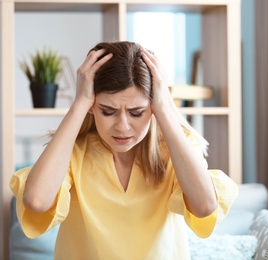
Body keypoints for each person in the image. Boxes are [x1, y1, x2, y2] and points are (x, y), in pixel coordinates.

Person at [10, 41, 238, 259]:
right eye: (107, 111)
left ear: (152, 107)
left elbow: (204, 206)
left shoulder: (175, 149)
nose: (123, 126)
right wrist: (79, 102)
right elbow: (37, 201)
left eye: (137, 112)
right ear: (92, 106)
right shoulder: (73, 154)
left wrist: (164, 107)